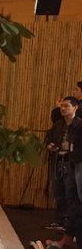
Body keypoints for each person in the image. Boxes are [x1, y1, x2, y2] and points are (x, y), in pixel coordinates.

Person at [45, 96, 81, 229]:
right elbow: (49, 139)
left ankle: (70, 224)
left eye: (66, 106)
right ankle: (59, 221)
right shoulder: (58, 125)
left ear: (75, 107)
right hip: (58, 161)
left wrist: (72, 152)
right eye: (62, 106)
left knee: (71, 193)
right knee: (58, 192)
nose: (63, 108)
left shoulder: (79, 125)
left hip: (73, 164)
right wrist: (50, 145)